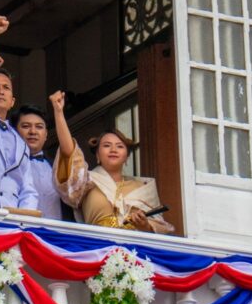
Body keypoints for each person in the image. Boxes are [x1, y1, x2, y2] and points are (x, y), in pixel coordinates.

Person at [51, 90, 173, 234]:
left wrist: (144, 225)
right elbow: (69, 153)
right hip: (97, 247)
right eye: (107, 145)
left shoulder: (143, 187)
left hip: (135, 250)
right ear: (97, 154)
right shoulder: (86, 181)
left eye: (120, 146)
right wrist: (58, 113)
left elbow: (161, 228)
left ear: (127, 157)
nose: (113, 149)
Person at [0, 15, 38, 210]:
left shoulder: (21, 143)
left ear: (12, 101)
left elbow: (28, 188)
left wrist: (25, 218)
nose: (0, 90)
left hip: (13, 219)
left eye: (6, 87)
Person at [12, 104, 65, 221]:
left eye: (39, 127)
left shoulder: (57, 167)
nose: (33, 131)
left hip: (54, 236)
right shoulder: (8, 166)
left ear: (46, 134)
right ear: (14, 132)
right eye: (26, 126)